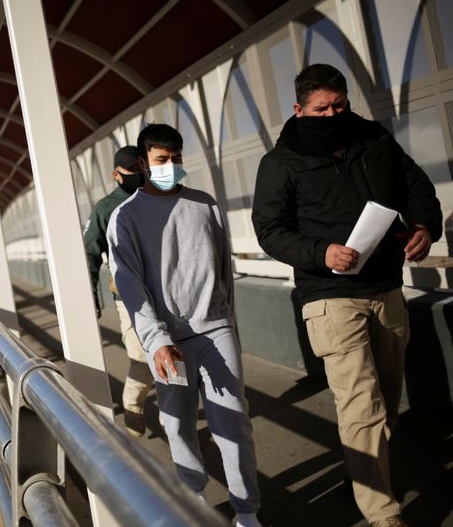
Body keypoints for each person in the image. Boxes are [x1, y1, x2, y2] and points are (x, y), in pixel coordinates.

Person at [252, 64, 442, 527]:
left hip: (386, 288)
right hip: (330, 296)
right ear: (299, 110)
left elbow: (417, 186)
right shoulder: (279, 163)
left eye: (339, 105)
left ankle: (362, 476)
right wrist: (322, 252)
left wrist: (424, 227)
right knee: (361, 405)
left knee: (386, 400)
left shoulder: (374, 139)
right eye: (321, 109)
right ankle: (383, 514)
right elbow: (270, 231)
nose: (333, 114)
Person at [108, 124, 262, 527]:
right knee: (178, 425)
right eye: (162, 160)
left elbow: (224, 270)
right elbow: (130, 284)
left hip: (215, 328)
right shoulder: (125, 217)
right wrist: (156, 339)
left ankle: (247, 512)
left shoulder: (205, 204)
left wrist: (228, 321)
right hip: (168, 340)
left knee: (233, 422)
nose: (171, 166)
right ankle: (192, 504)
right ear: (143, 163)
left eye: (176, 159)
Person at [83, 145, 154, 436]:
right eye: (132, 171)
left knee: (172, 358)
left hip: (167, 293)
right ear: (116, 174)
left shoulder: (157, 196)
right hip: (129, 298)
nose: (140, 175)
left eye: (143, 168)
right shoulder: (105, 209)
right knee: (141, 357)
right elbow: (88, 253)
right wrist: (92, 302)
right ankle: (132, 403)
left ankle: (174, 423)